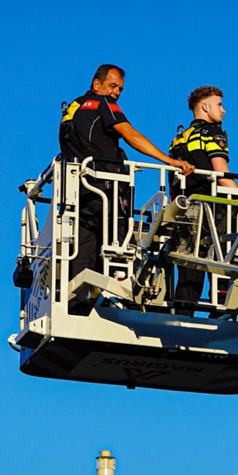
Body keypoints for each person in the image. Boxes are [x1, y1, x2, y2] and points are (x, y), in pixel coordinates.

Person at [59, 64, 194, 313]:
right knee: (123, 247)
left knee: (84, 248)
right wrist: (170, 161)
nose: (117, 93)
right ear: (96, 84)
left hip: (79, 193)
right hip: (106, 191)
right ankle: (131, 303)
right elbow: (130, 136)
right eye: (112, 86)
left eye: (120, 89)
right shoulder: (103, 103)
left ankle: (77, 305)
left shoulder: (72, 110)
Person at [168, 85, 236, 316]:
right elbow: (221, 173)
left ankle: (182, 317)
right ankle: (223, 312)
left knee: (189, 266)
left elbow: (172, 180)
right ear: (205, 107)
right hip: (212, 208)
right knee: (224, 258)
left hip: (184, 209)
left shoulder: (179, 138)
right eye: (219, 105)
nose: (223, 111)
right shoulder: (213, 133)